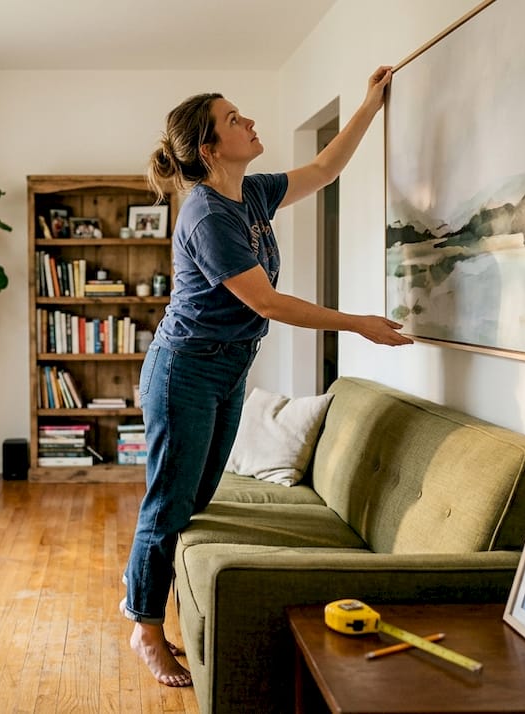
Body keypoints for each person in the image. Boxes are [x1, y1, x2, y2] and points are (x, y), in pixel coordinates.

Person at [121, 65, 412, 688]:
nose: (249, 123)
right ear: (209, 149)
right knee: (170, 501)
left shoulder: (249, 192)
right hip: (185, 372)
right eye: (234, 119)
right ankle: (145, 627)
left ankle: (163, 603)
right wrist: (357, 322)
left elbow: (326, 169)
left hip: (228, 368)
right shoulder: (205, 216)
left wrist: (369, 104)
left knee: (196, 498)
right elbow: (269, 303)